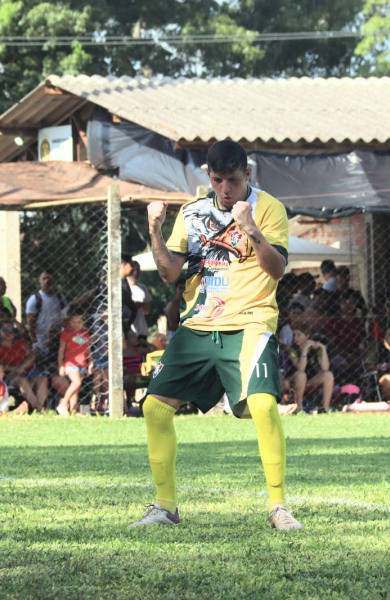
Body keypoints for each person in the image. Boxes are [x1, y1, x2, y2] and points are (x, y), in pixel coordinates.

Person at [131, 140, 301, 530]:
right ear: (208, 176)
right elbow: (170, 272)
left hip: (251, 321)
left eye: (235, 181)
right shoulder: (192, 213)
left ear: (248, 176)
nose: (226, 189)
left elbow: (276, 270)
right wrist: (155, 231)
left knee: (261, 405)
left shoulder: (269, 207)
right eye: (219, 180)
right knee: (154, 407)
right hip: (199, 323)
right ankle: (165, 507)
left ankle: (278, 507)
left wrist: (251, 228)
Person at [0, 316, 46, 411]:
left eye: (12, 330)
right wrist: (14, 369)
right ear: (0, 331)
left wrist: (21, 367)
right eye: (5, 329)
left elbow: (31, 356)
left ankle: (38, 406)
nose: (9, 333)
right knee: (21, 380)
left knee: (42, 379)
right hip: (8, 375)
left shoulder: (21, 342)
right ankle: (39, 408)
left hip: (27, 371)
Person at [286, 326, 334, 413]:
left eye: (299, 335)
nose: (295, 338)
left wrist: (323, 349)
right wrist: (304, 349)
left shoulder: (314, 349)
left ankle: (325, 408)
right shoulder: (292, 348)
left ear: (307, 336)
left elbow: (325, 367)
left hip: (310, 379)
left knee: (328, 375)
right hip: (294, 379)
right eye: (294, 335)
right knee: (301, 375)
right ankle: (299, 407)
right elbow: (301, 368)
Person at [57, 312, 93, 417]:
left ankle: (73, 410)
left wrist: (90, 362)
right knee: (76, 383)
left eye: (79, 322)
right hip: (70, 363)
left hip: (82, 363)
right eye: (73, 322)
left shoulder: (85, 333)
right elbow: (61, 350)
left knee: (76, 388)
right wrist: (61, 365)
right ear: (69, 322)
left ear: (83, 323)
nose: (76, 324)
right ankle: (63, 404)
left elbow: (88, 349)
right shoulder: (66, 333)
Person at [26, 269, 68, 347]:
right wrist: (36, 342)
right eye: (44, 278)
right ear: (39, 280)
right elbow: (30, 324)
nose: (47, 281)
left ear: (54, 280)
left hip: (58, 340)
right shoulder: (34, 299)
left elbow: (64, 320)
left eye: (50, 279)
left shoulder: (61, 298)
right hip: (41, 342)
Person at [127, 262, 153, 340]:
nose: (136, 272)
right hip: (130, 331)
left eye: (138, 270)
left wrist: (141, 305)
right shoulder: (124, 288)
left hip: (142, 330)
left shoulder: (143, 288)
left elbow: (147, 311)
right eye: (134, 270)